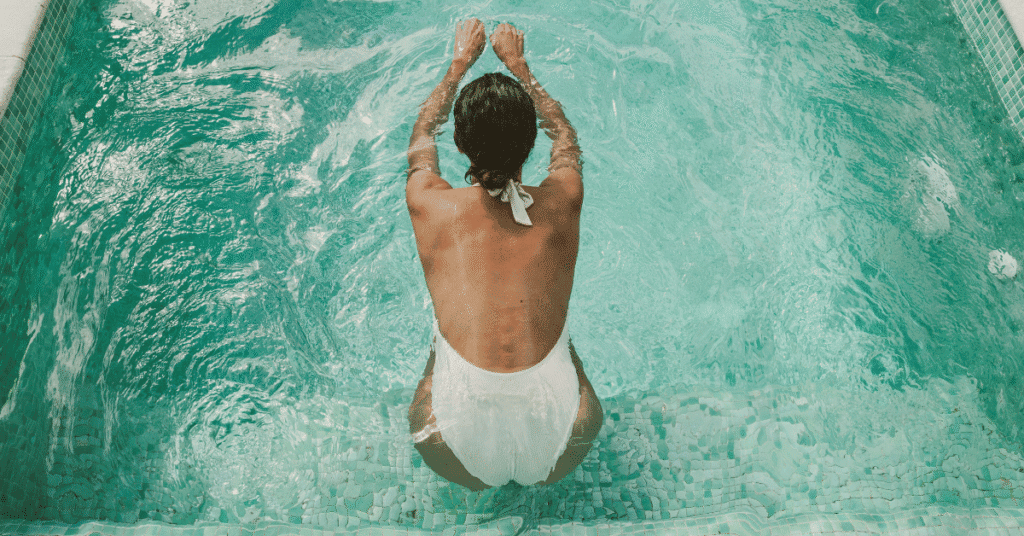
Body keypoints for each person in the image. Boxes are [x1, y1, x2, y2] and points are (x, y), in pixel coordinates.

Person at [405, 19, 602, 490]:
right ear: (529, 144)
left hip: (453, 443)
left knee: (435, 359)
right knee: (567, 350)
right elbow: (566, 137)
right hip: (564, 434)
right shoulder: (564, 199)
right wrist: (520, 66)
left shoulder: (430, 204)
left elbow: (421, 135)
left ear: (460, 144)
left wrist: (458, 65)